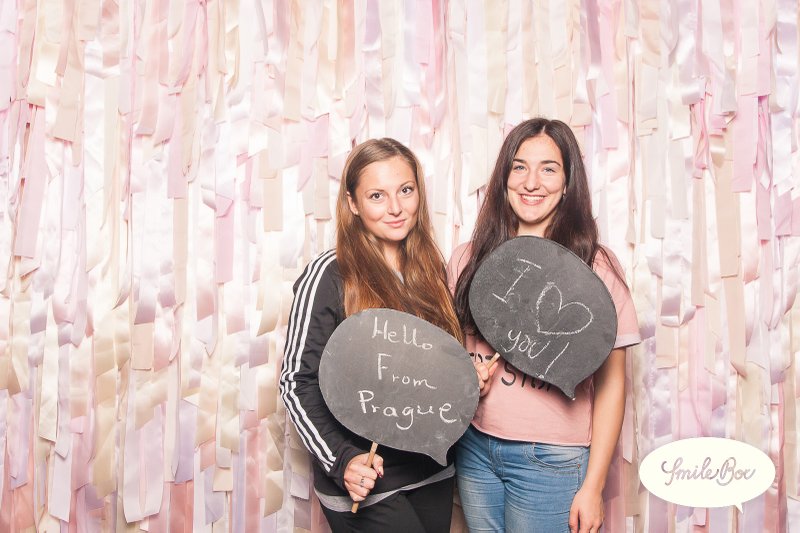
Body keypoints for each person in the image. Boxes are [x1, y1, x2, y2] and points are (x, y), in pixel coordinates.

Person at [447, 118, 641, 533]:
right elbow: (450, 352)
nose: (531, 182)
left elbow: (611, 384)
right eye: (519, 167)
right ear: (504, 178)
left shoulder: (596, 268)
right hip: (474, 446)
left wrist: (593, 486)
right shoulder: (466, 258)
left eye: (548, 169)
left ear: (568, 182)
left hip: (551, 457)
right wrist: (463, 375)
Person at [280, 138, 465, 533]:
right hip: (365, 477)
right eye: (377, 196)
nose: (395, 207)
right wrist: (342, 459)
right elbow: (296, 382)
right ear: (353, 203)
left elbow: (432, 369)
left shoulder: (430, 269)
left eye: (405, 190)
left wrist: (465, 378)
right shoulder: (330, 273)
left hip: (431, 471)